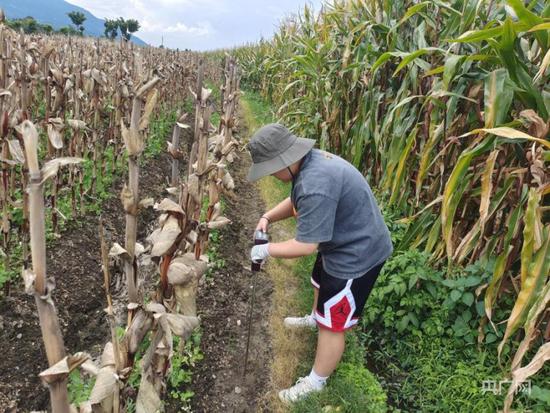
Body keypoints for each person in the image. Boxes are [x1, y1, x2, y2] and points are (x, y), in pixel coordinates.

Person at [247, 123, 393, 403]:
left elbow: (304, 245)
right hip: (341, 240)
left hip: (358, 253)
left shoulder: (315, 183)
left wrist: (266, 251)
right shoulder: (308, 165)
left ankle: (316, 382)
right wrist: (267, 217)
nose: (270, 174)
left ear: (286, 160)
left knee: (334, 323)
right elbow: (296, 203)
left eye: (270, 167)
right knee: (319, 279)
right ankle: (315, 317)